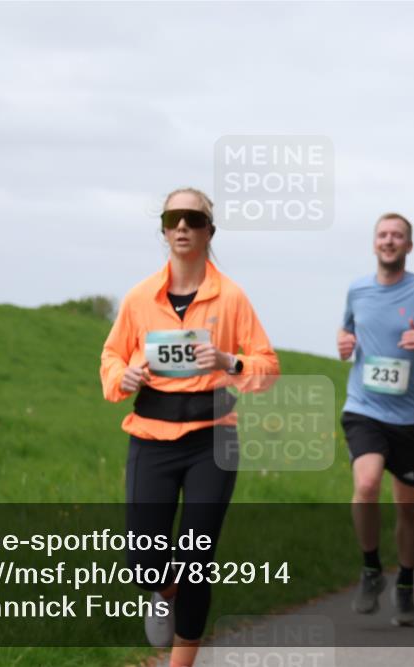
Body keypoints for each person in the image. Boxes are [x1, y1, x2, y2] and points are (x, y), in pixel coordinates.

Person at [100, 188, 279, 667]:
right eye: (173, 218)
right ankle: (161, 586)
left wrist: (229, 360)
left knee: (197, 559)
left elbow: (267, 365)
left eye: (193, 220)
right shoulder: (140, 298)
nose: (183, 227)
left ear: (208, 232)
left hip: (211, 437)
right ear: (163, 229)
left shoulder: (232, 297)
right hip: (150, 435)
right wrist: (125, 376)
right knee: (143, 563)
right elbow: (112, 356)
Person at [338, 212, 414, 626]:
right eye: (383, 235)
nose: (389, 241)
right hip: (363, 407)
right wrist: (344, 342)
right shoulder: (357, 289)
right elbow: (347, 333)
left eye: (398, 236)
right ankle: (372, 569)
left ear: (409, 246)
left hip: (410, 417)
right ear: (374, 243)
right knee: (367, 483)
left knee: (408, 510)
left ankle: (405, 582)